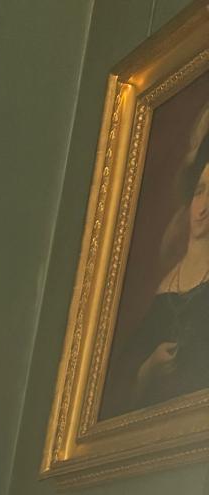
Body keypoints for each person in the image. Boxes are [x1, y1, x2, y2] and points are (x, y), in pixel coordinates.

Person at [106, 127, 209, 415]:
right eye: (200, 191)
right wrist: (147, 371)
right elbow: (118, 382)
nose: (202, 208)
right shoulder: (166, 282)